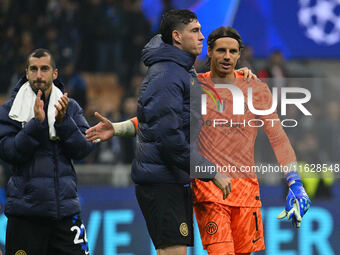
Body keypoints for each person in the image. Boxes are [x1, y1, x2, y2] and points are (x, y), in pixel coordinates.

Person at [87, 9, 233, 255]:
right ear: (177, 36)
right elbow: (169, 138)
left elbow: (161, 121)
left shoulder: (180, 69)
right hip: (161, 180)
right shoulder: (168, 74)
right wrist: (211, 172)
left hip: (171, 177)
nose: (201, 37)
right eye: (195, 31)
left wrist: (119, 128)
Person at [191, 26, 310, 254]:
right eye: (221, 50)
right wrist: (120, 128)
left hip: (247, 194)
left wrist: (295, 182)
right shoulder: (195, 86)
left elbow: (278, 137)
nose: (227, 56)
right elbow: (161, 119)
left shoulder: (255, 88)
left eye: (233, 51)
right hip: (210, 191)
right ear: (209, 52)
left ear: (240, 55)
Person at [0, 48, 93, 255]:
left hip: (65, 213)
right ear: (26, 73)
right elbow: (8, 153)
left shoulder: (70, 108)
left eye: (44, 69)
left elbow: (84, 149)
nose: (39, 75)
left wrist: (63, 123)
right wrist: (36, 124)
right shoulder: (10, 111)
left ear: (55, 73)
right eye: (33, 69)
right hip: (25, 215)